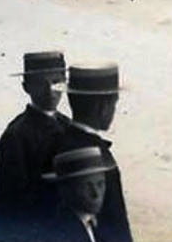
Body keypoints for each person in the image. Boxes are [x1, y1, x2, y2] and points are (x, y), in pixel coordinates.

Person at [0, 51, 71, 242]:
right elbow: (4, 201)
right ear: (26, 87)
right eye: (41, 83)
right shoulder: (17, 136)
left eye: (56, 82)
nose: (50, 91)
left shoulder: (67, 127)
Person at [56, 63, 133, 242]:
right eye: (114, 104)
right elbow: (115, 223)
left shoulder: (60, 141)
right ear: (103, 106)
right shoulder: (98, 156)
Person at [39, 147, 117, 241]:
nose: (96, 194)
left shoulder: (103, 224)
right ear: (65, 189)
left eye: (100, 184)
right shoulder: (56, 231)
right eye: (87, 186)